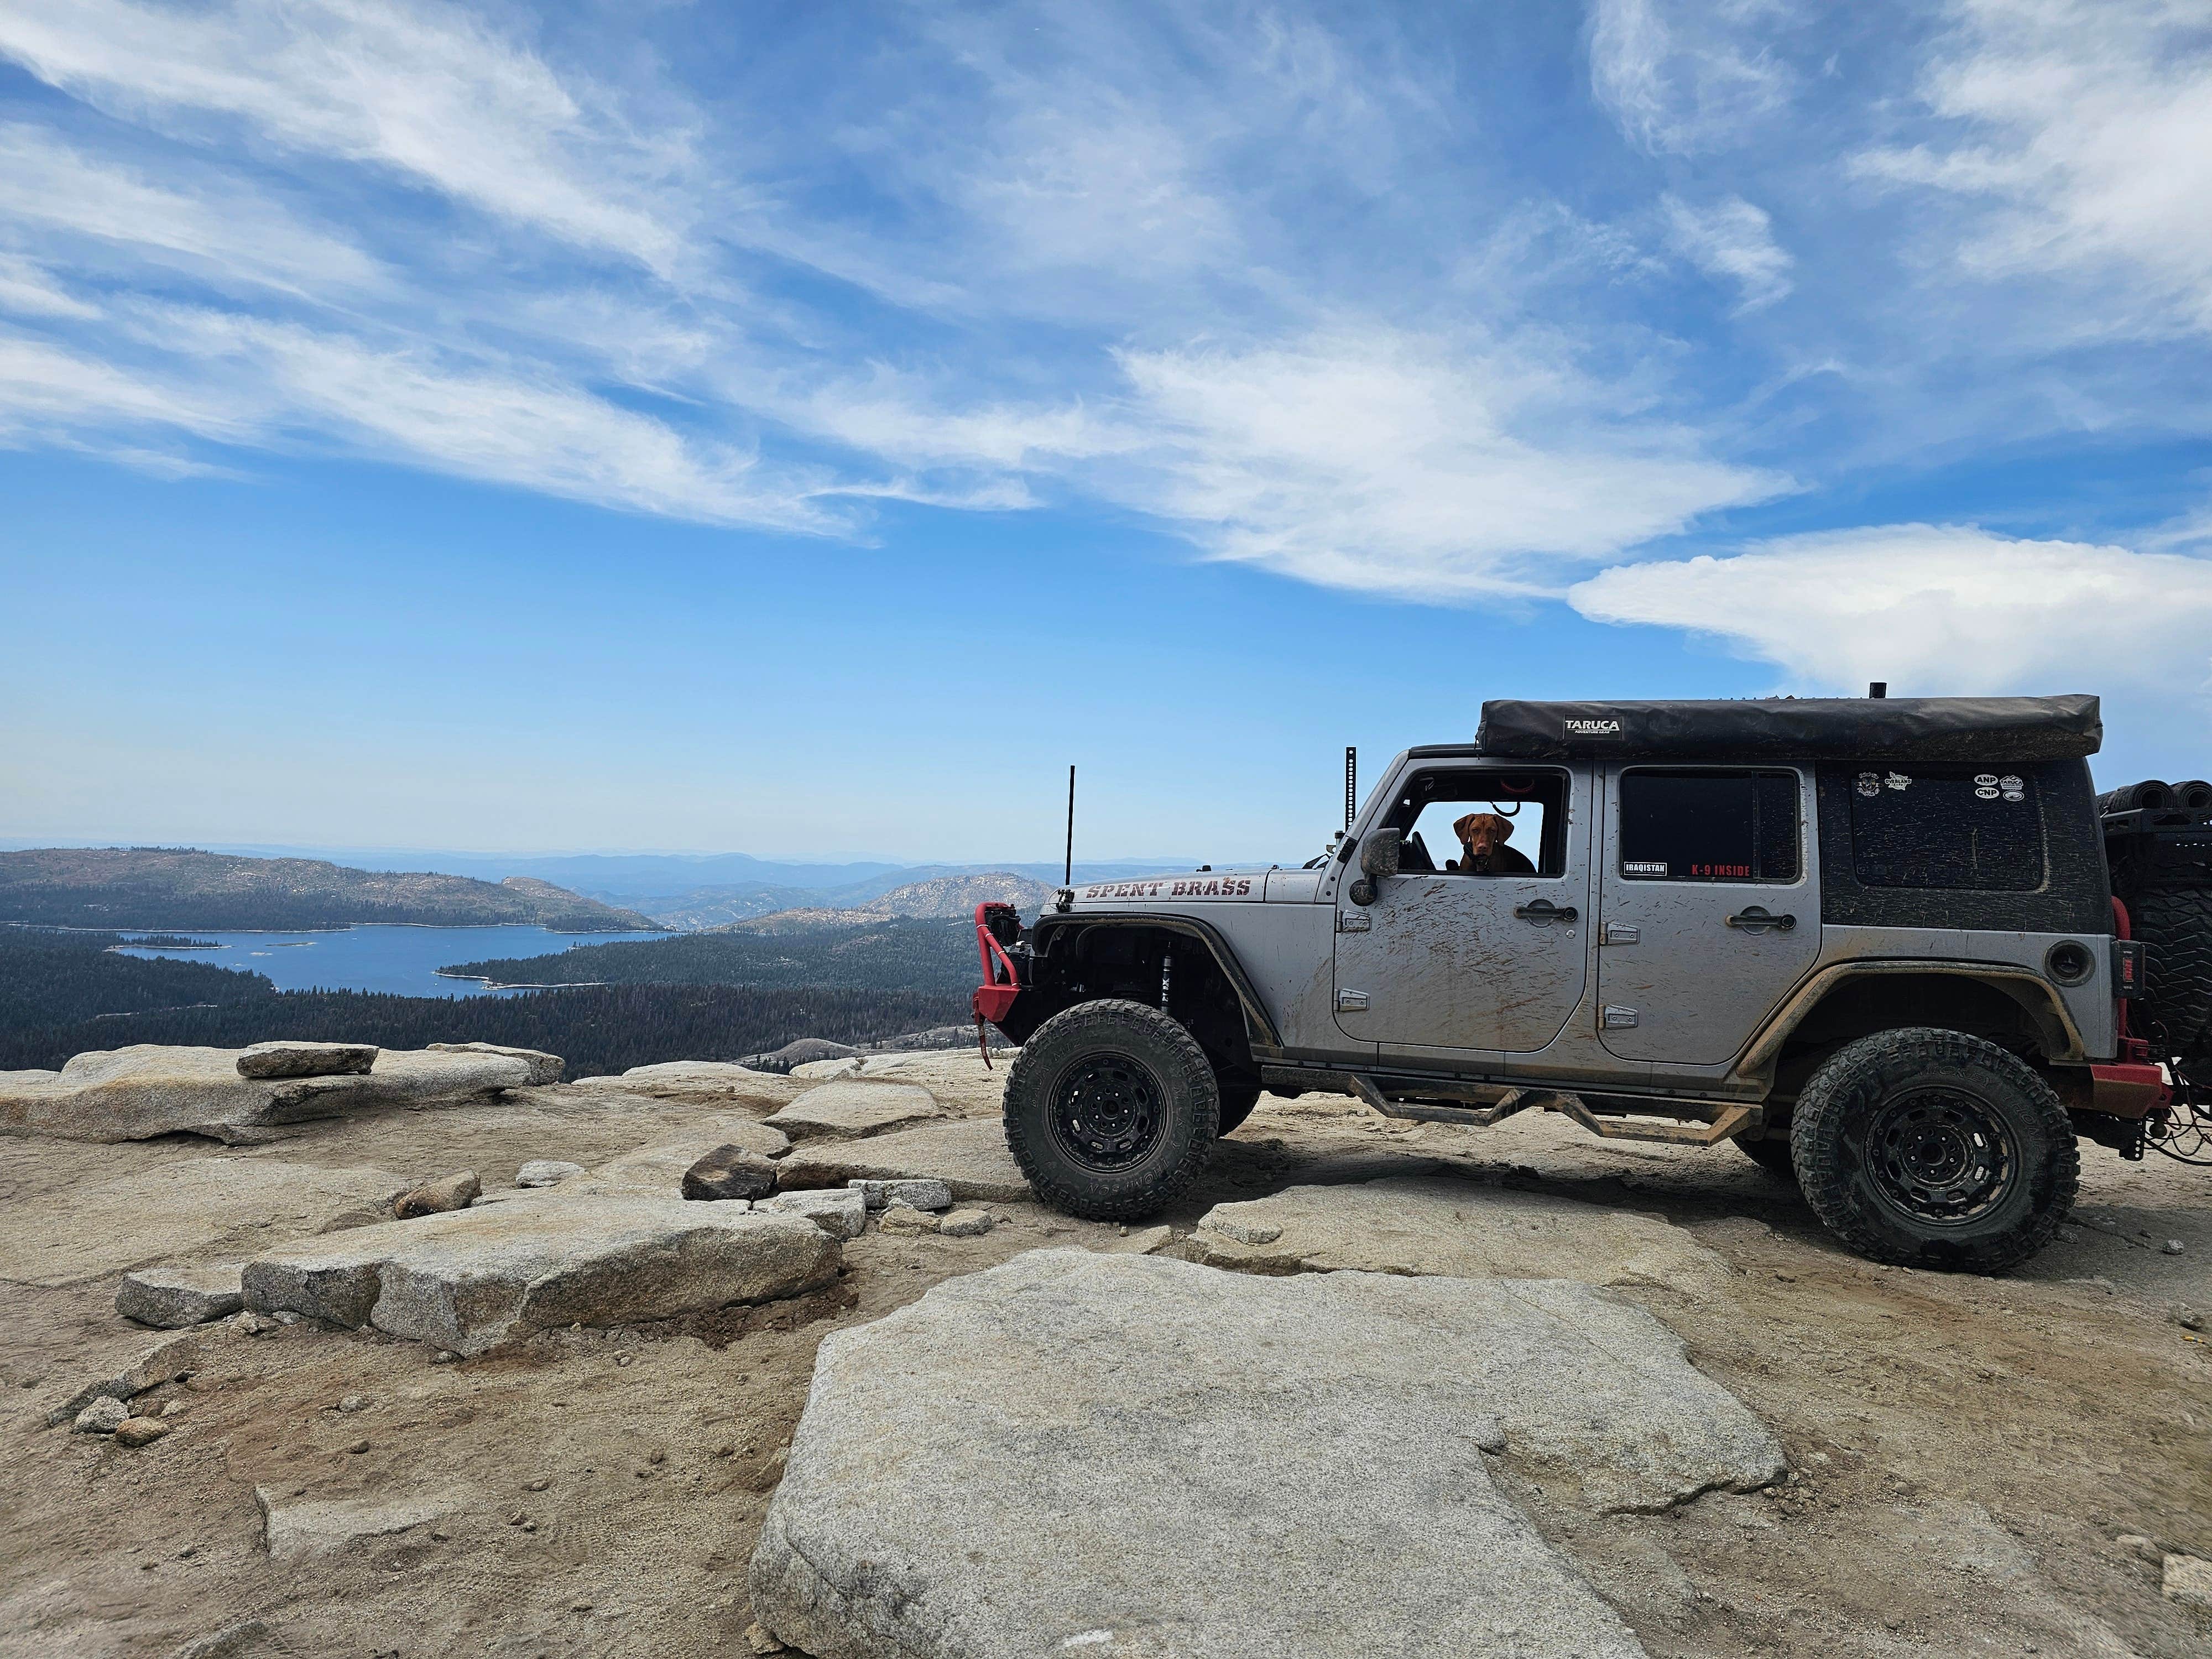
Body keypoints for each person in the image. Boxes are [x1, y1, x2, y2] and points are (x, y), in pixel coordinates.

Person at [1449, 811, 1536, 875]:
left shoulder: (1505, 858)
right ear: (1467, 832)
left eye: (1491, 831)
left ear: (1499, 833)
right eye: (1475, 831)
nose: (1482, 844)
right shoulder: (1467, 860)